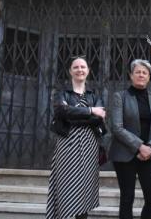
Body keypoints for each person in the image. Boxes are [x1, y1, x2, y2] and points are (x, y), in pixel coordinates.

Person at [46, 55, 107, 219]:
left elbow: (99, 118)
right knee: (66, 185)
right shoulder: (62, 94)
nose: (80, 70)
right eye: (76, 67)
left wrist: (74, 113)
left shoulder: (94, 96)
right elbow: (61, 111)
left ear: (88, 71)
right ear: (70, 71)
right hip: (67, 144)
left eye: (83, 67)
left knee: (84, 187)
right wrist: (90, 111)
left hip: (89, 145)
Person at [108, 59, 151, 219]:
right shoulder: (120, 97)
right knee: (127, 198)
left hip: (149, 155)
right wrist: (140, 146)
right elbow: (117, 127)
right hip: (125, 154)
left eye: (144, 72)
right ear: (131, 75)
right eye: (137, 72)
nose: (141, 75)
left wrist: (150, 147)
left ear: (149, 77)